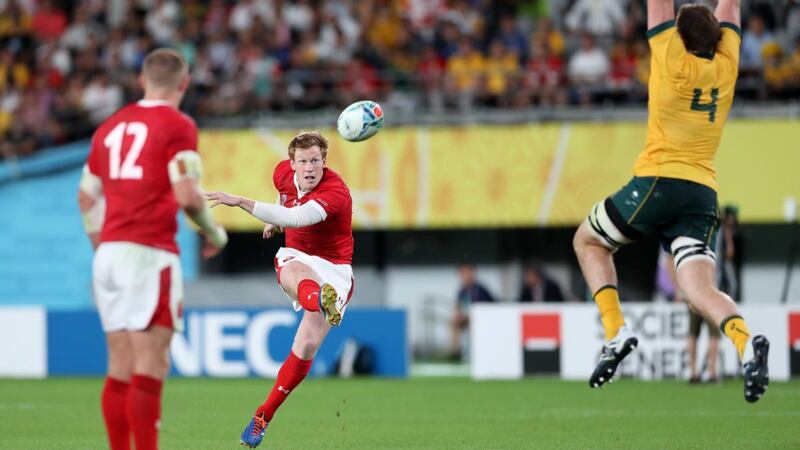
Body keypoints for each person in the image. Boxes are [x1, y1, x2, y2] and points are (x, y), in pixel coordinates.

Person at [572, 0, 770, 402]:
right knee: (698, 290)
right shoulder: (727, 63)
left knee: (588, 241)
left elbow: (662, 5)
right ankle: (746, 344)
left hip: (658, 179)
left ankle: (616, 332)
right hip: (701, 193)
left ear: (679, 37)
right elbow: (730, 7)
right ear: (717, 38)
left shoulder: (670, 55)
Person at [77, 48, 228, 450]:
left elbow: (86, 199)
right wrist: (214, 233)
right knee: (151, 365)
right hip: (148, 254)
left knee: (119, 367)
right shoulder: (179, 125)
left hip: (109, 254)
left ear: (141, 81)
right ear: (185, 83)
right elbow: (189, 196)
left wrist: (103, 246)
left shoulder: (109, 127)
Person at [203, 131, 354, 448]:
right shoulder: (281, 173)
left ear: (325, 162)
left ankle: (264, 413)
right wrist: (273, 218)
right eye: (303, 162)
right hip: (298, 256)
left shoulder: (336, 192)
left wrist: (241, 201)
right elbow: (284, 199)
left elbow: (295, 216)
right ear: (292, 163)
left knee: (305, 349)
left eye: (316, 161)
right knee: (291, 269)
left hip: (334, 268)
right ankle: (319, 302)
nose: (310, 168)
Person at [451, 264, 495, 359]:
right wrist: (457, 314)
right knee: (454, 323)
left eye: (465, 272)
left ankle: (475, 353)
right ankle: (456, 352)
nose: (463, 276)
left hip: (483, 319)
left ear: (472, 273)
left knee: (473, 323)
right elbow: (459, 307)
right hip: (468, 319)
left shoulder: (481, 289)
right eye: (461, 273)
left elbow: (490, 307)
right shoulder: (462, 291)